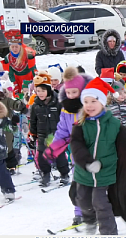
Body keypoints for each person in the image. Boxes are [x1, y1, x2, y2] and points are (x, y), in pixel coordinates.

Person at [71, 77, 126, 235]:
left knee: (101, 203)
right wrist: (88, 162)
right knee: (84, 201)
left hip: (105, 172)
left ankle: (109, 233)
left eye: (94, 101)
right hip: (84, 173)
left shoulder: (113, 124)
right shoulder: (80, 126)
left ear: (103, 103)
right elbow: (77, 147)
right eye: (86, 101)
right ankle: (90, 221)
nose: (89, 105)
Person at [44, 66, 92, 225]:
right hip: (76, 154)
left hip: (94, 154)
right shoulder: (66, 110)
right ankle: (79, 213)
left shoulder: (90, 107)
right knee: (78, 185)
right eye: (68, 92)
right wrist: (53, 149)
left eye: (74, 92)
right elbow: (62, 131)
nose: (71, 95)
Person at [30, 71, 70, 187]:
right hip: (42, 135)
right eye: (38, 91)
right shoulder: (36, 105)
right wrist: (32, 135)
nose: (40, 93)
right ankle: (46, 174)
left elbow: (64, 118)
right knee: (42, 157)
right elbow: (33, 121)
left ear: (48, 90)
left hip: (57, 135)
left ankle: (64, 174)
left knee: (60, 156)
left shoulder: (58, 102)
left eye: (43, 90)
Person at [0, 29, 36, 94]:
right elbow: (10, 72)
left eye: (16, 47)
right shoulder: (8, 57)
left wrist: (34, 81)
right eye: (12, 47)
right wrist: (15, 84)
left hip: (29, 78)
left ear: (20, 46)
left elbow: (33, 69)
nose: (14, 49)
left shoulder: (28, 55)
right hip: (17, 80)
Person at [0, 102, 16, 202]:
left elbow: (12, 129)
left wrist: (14, 124)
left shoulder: (2, 120)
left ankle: (8, 190)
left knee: (1, 171)